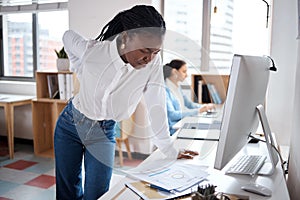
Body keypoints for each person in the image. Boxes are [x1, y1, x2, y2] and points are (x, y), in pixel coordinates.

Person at [54, 5, 198, 200]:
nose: (149, 58)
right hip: (70, 124)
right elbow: (67, 36)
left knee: (98, 195)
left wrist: (169, 150)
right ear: (125, 38)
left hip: (103, 132)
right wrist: (80, 67)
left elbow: (156, 104)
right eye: (145, 50)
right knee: (67, 192)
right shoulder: (94, 51)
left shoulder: (152, 63)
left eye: (156, 51)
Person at [163, 59, 215, 135]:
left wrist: (204, 107)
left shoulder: (177, 87)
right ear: (174, 72)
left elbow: (189, 104)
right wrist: (198, 111)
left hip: (182, 123)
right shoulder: (165, 90)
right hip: (174, 129)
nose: (186, 75)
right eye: (184, 72)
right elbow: (172, 115)